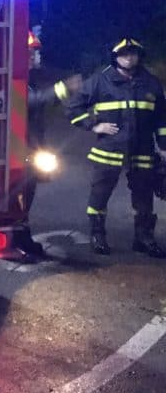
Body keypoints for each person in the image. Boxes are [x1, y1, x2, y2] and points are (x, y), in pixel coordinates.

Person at [66, 38, 166, 257]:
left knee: (144, 196)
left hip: (142, 150)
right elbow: (73, 108)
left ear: (139, 56)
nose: (129, 58)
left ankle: (144, 238)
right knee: (100, 194)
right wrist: (94, 125)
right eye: (124, 54)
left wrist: (164, 146)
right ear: (115, 57)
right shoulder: (100, 81)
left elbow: (161, 119)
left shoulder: (151, 83)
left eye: (133, 54)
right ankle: (97, 235)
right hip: (108, 150)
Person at [18, 31, 81, 262]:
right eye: (30, 51)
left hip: (27, 150)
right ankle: (16, 239)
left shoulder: (28, 78)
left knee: (25, 196)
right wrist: (63, 88)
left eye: (35, 51)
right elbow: (27, 102)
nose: (35, 56)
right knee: (17, 197)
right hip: (16, 152)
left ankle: (21, 237)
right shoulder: (10, 77)